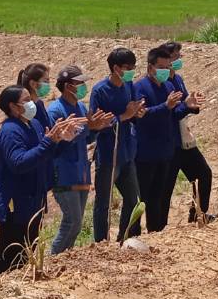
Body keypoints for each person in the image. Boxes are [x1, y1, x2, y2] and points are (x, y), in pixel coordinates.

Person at [0, 84, 83, 276]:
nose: (32, 103)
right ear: (14, 107)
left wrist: (61, 140)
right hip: (15, 203)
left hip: (35, 199)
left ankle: (21, 283)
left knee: (29, 247)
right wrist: (49, 142)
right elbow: (19, 163)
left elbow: (45, 154)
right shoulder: (9, 131)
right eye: (26, 100)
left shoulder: (33, 125)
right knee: (11, 252)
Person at [46, 65, 115, 255]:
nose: (84, 86)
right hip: (64, 175)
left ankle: (65, 257)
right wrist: (88, 127)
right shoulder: (56, 111)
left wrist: (96, 128)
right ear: (68, 86)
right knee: (72, 221)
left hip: (81, 173)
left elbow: (86, 139)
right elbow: (56, 145)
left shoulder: (80, 107)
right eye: (80, 83)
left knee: (76, 224)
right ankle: (54, 259)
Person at [88, 47, 146, 242]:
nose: (131, 71)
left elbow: (132, 110)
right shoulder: (100, 91)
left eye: (133, 67)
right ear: (115, 68)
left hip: (127, 152)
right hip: (108, 155)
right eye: (127, 67)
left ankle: (125, 237)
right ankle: (101, 243)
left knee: (133, 199)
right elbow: (97, 124)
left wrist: (137, 113)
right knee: (103, 203)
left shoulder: (128, 85)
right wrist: (124, 116)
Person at [133, 46, 189, 233]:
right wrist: (165, 106)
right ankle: (132, 234)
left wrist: (189, 106)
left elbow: (174, 113)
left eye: (167, 66)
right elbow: (142, 115)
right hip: (145, 153)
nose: (165, 71)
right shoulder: (139, 88)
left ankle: (155, 233)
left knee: (158, 196)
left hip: (165, 151)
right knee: (141, 198)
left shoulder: (169, 86)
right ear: (150, 68)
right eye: (161, 67)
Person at [159, 40, 211, 223]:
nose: (179, 59)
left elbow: (186, 104)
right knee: (165, 189)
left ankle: (198, 214)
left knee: (203, 174)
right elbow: (167, 113)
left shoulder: (178, 79)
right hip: (169, 144)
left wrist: (194, 104)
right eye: (175, 56)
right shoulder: (162, 84)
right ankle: (158, 229)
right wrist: (187, 107)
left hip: (184, 140)